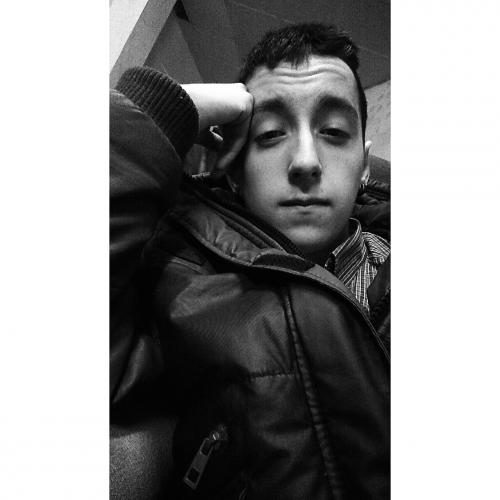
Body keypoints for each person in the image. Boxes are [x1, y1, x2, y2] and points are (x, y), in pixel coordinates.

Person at [110, 23, 390, 500]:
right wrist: (165, 109)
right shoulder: (181, 282)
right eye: (271, 133)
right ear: (234, 170)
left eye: (333, 131)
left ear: (365, 166)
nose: (306, 162)